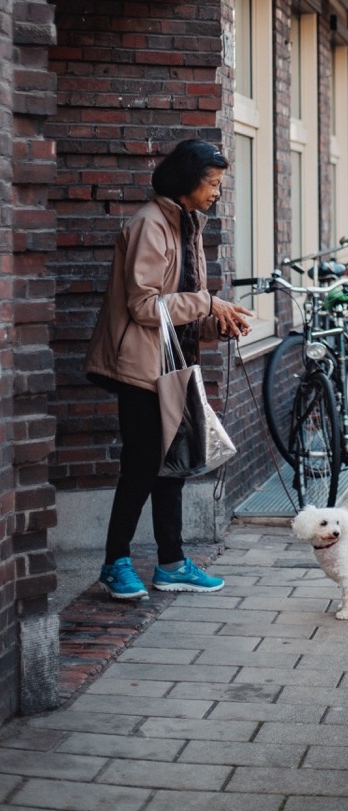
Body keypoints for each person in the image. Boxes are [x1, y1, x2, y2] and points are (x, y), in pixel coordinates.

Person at [85, 139, 253, 600]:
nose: (218, 192)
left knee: (170, 468)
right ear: (187, 180)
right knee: (141, 466)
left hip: (171, 365)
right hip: (140, 368)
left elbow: (178, 306)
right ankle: (115, 563)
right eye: (213, 183)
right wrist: (209, 302)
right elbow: (144, 306)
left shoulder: (185, 224)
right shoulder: (149, 225)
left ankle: (172, 563)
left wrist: (218, 322)